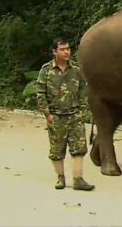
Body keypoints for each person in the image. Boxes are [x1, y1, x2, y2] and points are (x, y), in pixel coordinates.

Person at [36, 38, 94, 191]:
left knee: (79, 148)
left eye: (68, 48)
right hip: (56, 116)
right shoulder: (46, 70)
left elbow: (83, 89)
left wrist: (81, 110)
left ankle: (78, 179)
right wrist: (48, 115)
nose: (66, 51)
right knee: (57, 150)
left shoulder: (76, 69)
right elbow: (40, 93)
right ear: (55, 52)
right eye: (62, 49)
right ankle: (60, 178)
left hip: (74, 115)